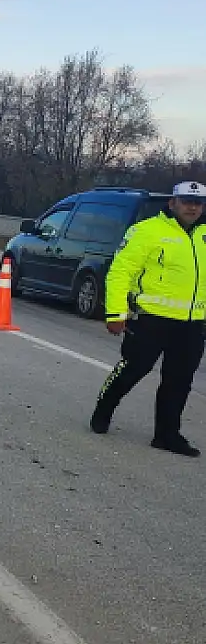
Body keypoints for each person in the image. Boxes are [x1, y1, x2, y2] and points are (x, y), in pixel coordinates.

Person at [91, 180, 206, 456]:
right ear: (172, 203)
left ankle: (167, 435)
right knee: (133, 369)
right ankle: (104, 409)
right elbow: (120, 272)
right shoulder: (146, 231)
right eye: (186, 201)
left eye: (198, 203)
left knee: (179, 381)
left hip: (192, 324)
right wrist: (115, 313)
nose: (192, 207)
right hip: (150, 319)